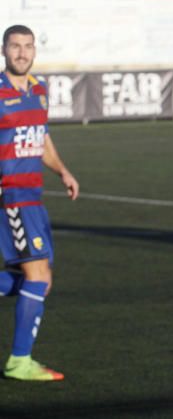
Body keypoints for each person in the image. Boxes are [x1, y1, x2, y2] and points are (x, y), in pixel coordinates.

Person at [0, 24, 79, 382]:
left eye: (27, 46)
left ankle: (20, 360)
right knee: (38, 275)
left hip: (34, 195)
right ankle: (19, 361)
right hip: (11, 196)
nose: (22, 52)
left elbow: (40, 137)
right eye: (15, 46)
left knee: (41, 281)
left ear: (34, 51)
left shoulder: (38, 89)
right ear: (4, 50)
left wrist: (62, 170)